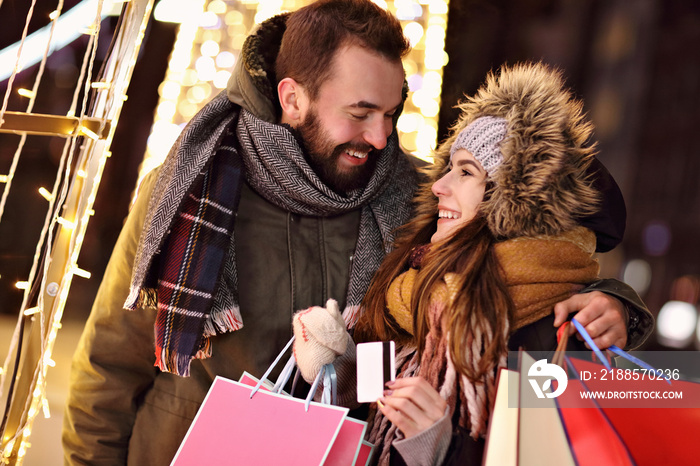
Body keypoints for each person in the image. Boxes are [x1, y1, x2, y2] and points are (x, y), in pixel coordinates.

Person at [62, 1, 649, 464]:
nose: (379, 137)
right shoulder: (190, 188)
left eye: (391, 114)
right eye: (361, 112)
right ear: (293, 98)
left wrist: (614, 304)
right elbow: (110, 369)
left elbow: (531, 246)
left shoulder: (416, 194)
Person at [293, 62, 654, 466]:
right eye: (450, 168)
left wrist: (444, 449)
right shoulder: (413, 284)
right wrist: (340, 375)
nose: (439, 186)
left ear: (512, 203)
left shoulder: (558, 326)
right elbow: (376, 414)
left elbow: (552, 458)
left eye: (466, 171)